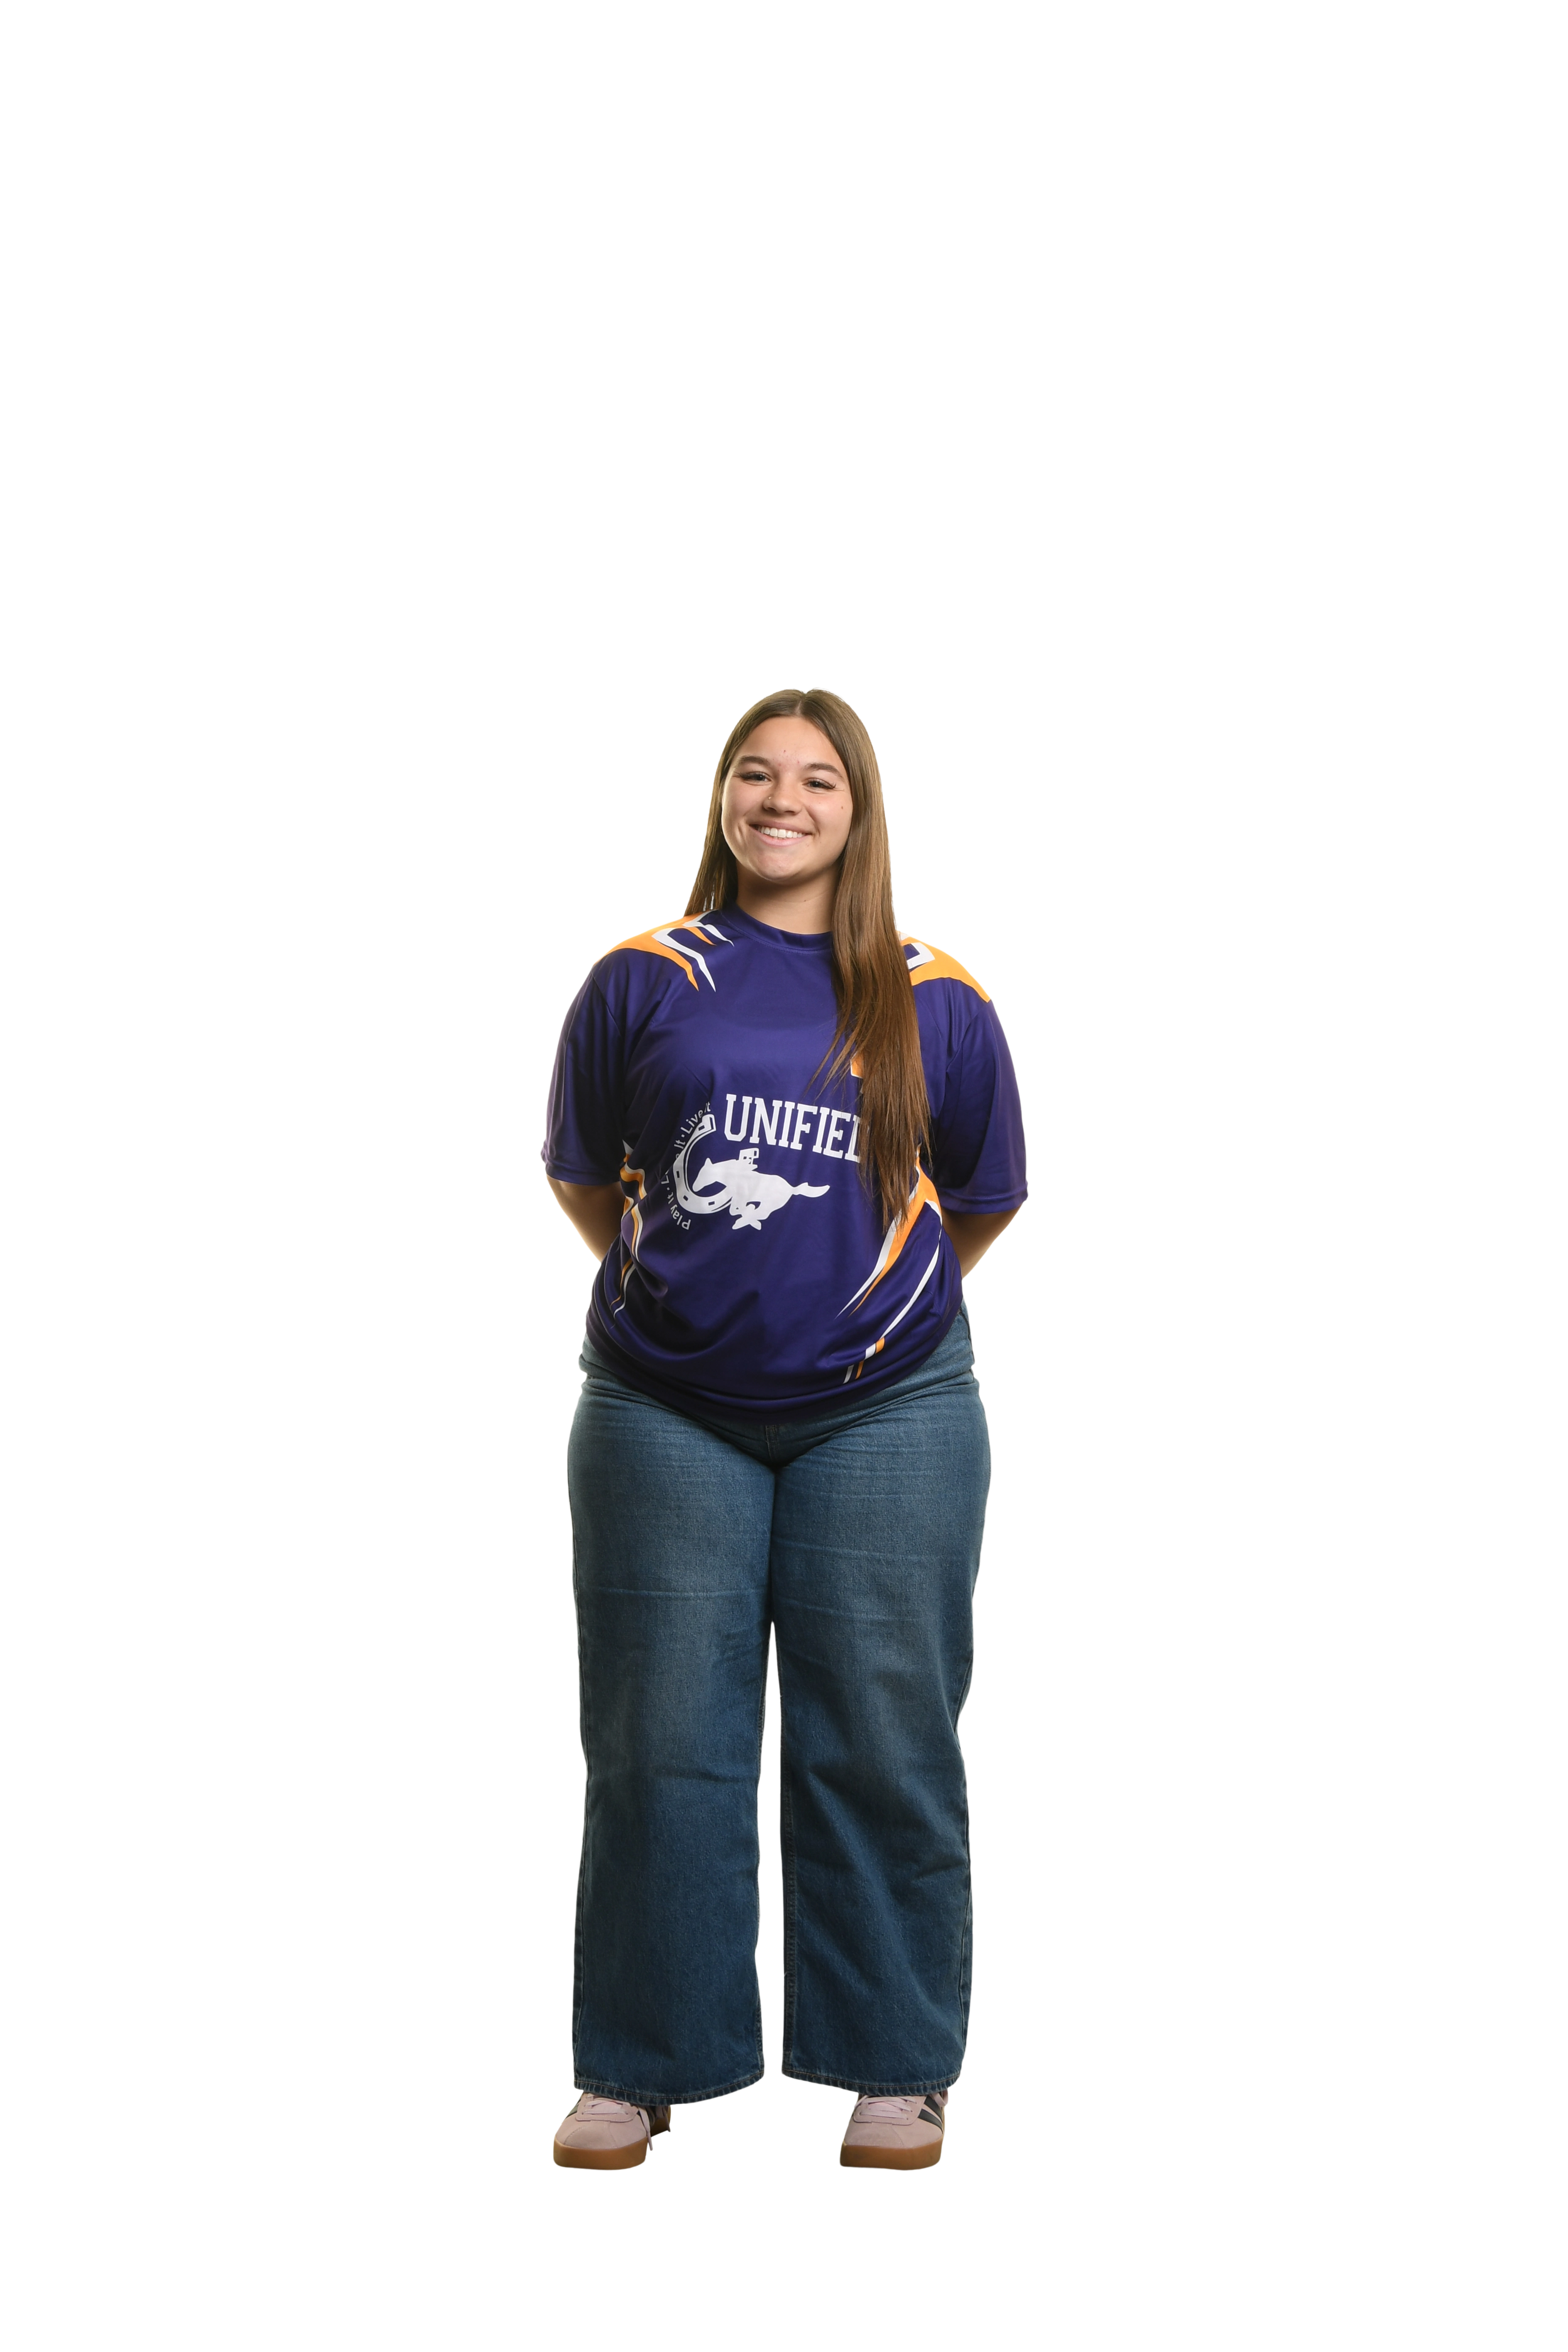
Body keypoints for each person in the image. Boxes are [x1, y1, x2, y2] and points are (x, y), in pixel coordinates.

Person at [541, 686, 1028, 2171]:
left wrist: (858, 1312)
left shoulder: (936, 994)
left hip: (890, 1410)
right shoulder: (643, 977)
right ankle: (641, 2066)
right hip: (660, 1406)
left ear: (859, 807)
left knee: (881, 1737)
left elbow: (982, 1196)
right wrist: (695, 1304)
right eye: (755, 774)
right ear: (719, 797)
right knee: (658, 1746)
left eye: (818, 779)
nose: (783, 801)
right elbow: (584, 1174)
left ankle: (894, 2068)